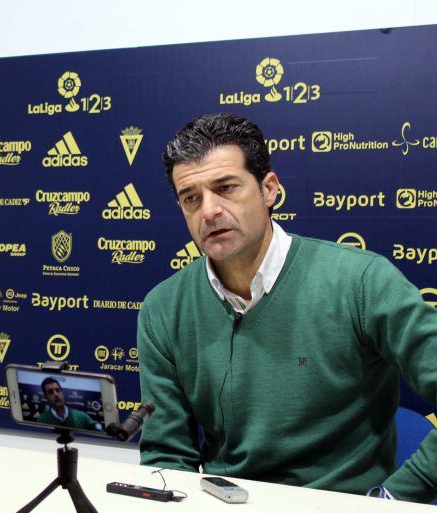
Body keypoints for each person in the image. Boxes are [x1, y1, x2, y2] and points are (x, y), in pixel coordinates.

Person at [137, 113, 436, 503]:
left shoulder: (362, 281)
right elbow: (166, 455)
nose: (209, 210)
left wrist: (393, 498)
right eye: (191, 198)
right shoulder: (164, 307)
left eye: (226, 188)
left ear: (269, 190)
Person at [37, 377, 103, 431]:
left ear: (62, 392)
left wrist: (97, 427)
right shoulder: (42, 420)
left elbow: (98, 428)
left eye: (57, 390)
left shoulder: (81, 416)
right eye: (51, 392)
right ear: (46, 397)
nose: (56, 394)